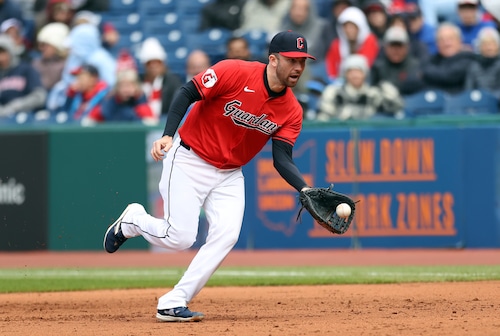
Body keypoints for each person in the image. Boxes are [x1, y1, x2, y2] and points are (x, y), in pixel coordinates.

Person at [103, 31, 316, 322]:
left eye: (303, 62)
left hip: (229, 174)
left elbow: (281, 159)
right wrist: (168, 134)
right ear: (273, 59)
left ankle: (175, 300)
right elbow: (187, 92)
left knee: (227, 234)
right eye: (293, 60)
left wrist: (304, 189)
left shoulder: (291, 110)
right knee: (180, 237)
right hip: (190, 158)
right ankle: (133, 221)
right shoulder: (235, 71)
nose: (298, 68)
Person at [317, 54, 403, 121]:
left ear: (365, 74)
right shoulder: (333, 93)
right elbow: (323, 120)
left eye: (358, 71)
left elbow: (395, 110)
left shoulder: (373, 94)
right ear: (345, 74)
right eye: (351, 71)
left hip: (368, 138)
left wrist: (391, 93)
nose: (355, 75)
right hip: (339, 139)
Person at [325, 6, 379, 80]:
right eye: (346, 27)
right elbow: (331, 68)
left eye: (352, 26)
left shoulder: (370, 40)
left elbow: (366, 65)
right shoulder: (336, 45)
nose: (349, 30)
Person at [0, 34, 46, 118]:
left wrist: (15, 106)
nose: (1, 57)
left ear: (10, 52)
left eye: (3, 52)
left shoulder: (26, 69)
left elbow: (40, 97)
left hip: (26, 118)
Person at [421, 22, 475, 94]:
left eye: (450, 39)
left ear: (460, 41)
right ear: (437, 44)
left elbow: (450, 76)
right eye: (441, 40)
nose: (446, 43)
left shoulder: (468, 59)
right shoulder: (431, 60)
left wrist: (427, 74)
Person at [371, 25, 425, 96]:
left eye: (399, 46)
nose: (396, 50)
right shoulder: (377, 67)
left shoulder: (416, 66)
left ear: (407, 47)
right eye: (392, 46)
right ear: (385, 47)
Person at [137, 37, 183, 118]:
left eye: (157, 62)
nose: (153, 66)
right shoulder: (138, 82)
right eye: (149, 63)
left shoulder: (172, 82)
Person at [465, 26, 500, 100]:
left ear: (498, 46)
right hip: (477, 104)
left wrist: (486, 97)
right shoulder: (473, 66)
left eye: (492, 44)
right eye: (485, 44)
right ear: (479, 47)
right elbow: (468, 90)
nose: (489, 48)